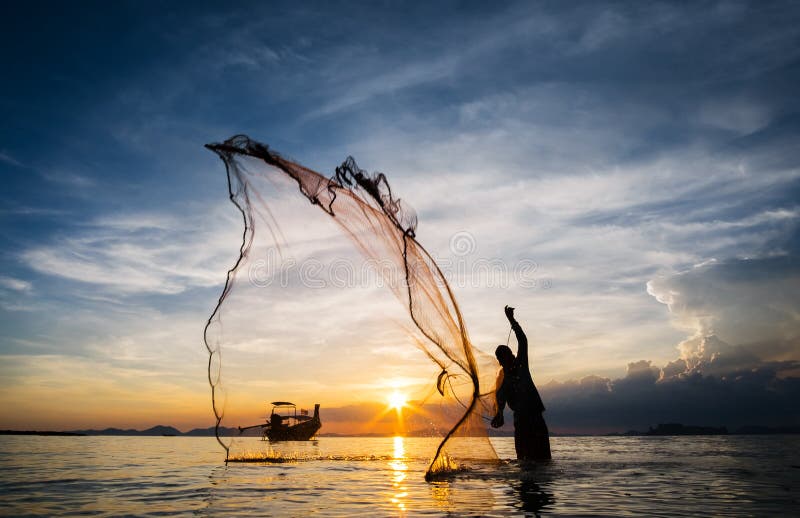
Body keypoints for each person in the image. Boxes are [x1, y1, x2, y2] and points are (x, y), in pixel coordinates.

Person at [491, 305, 551, 461]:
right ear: (500, 361)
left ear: (512, 355)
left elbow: (523, 340)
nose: (508, 359)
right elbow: (500, 405)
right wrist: (499, 416)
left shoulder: (521, 365)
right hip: (521, 423)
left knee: (543, 460)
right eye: (503, 358)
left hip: (536, 419)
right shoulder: (502, 383)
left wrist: (511, 320)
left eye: (509, 355)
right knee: (524, 461)